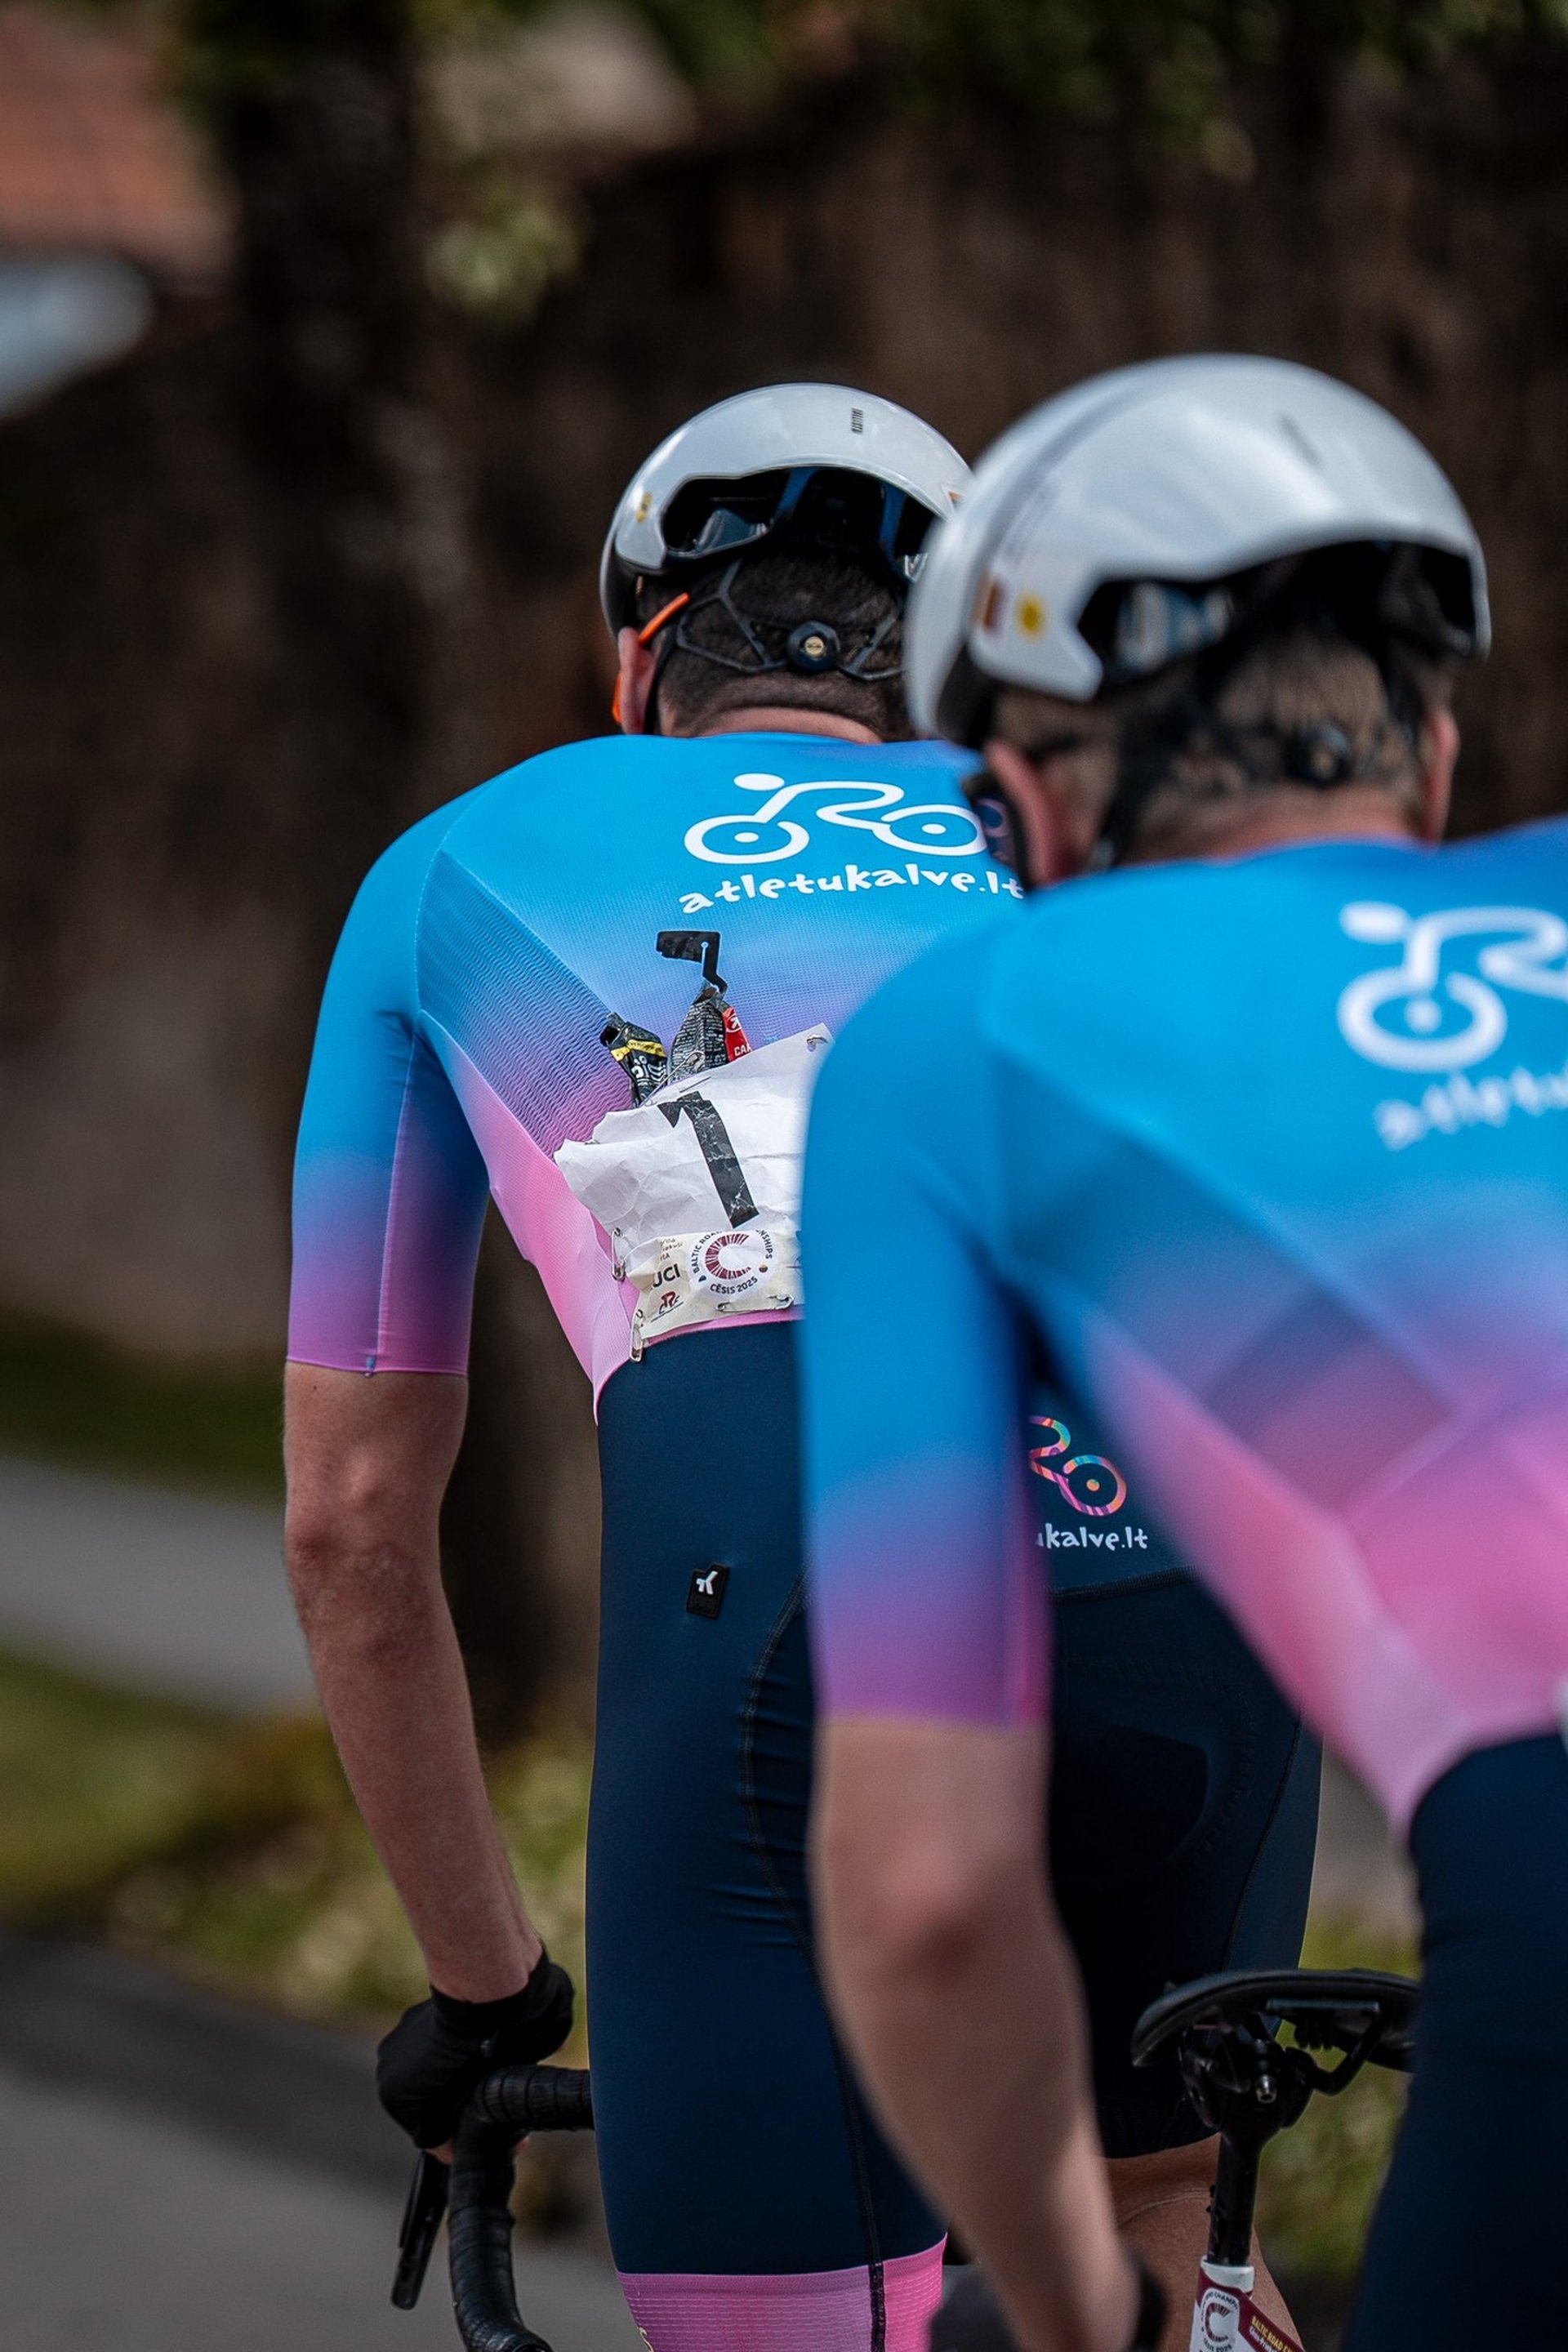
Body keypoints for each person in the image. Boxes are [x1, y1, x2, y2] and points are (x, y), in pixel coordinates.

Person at [285, 380, 1315, 2352]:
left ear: (646, 654)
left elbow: (351, 1529)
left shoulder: (453, 869)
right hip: (1201, 1583)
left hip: (797, 1591)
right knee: (1180, 2252)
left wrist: (487, 1995)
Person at [801, 354, 1568, 2352]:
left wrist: (1089, 2316)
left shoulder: (973, 1033)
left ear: (1028, 803)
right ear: (1438, 754)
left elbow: (930, 1893)